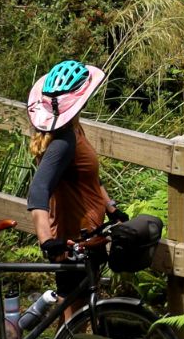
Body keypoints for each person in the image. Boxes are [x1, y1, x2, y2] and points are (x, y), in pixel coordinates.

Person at [25, 59, 118, 264]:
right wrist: (46, 240)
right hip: (75, 241)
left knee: (77, 295)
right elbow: (39, 189)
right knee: (70, 296)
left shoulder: (73, 129)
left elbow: (86, 174)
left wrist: (111, 207)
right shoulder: (63, 142)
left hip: (90, 233)